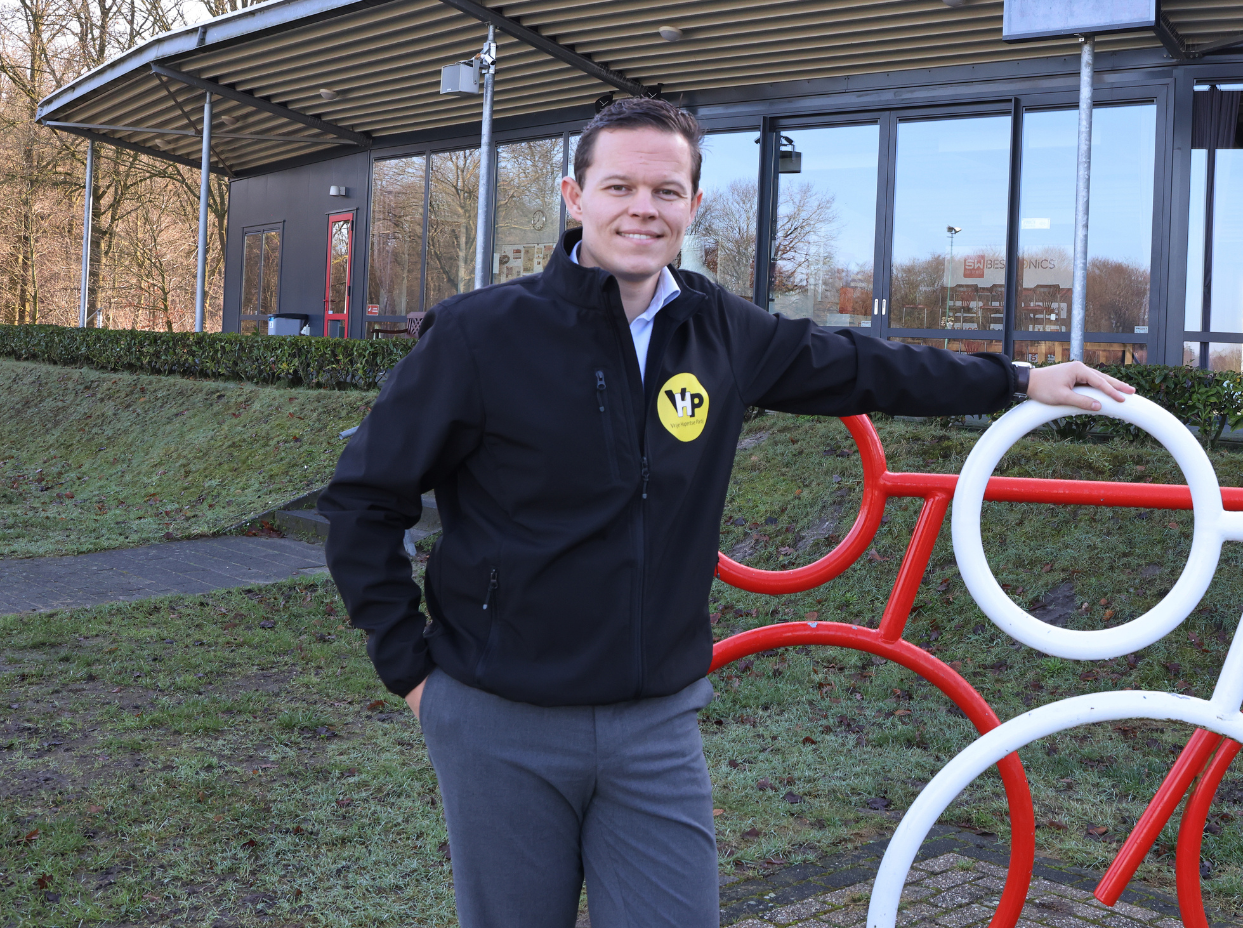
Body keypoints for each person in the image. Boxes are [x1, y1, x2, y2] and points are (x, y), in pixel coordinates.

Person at [319, 97, 1132, 928]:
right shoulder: (480, 334)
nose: (643, 208)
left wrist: (1016, 380)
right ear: (575, 196)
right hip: (501, 719)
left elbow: (862, 365)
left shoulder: (718, 331)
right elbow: (364, 499)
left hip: (655, 724)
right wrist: (412, 673)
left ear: (694, 205)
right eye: (620, 187)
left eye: (666, 191)